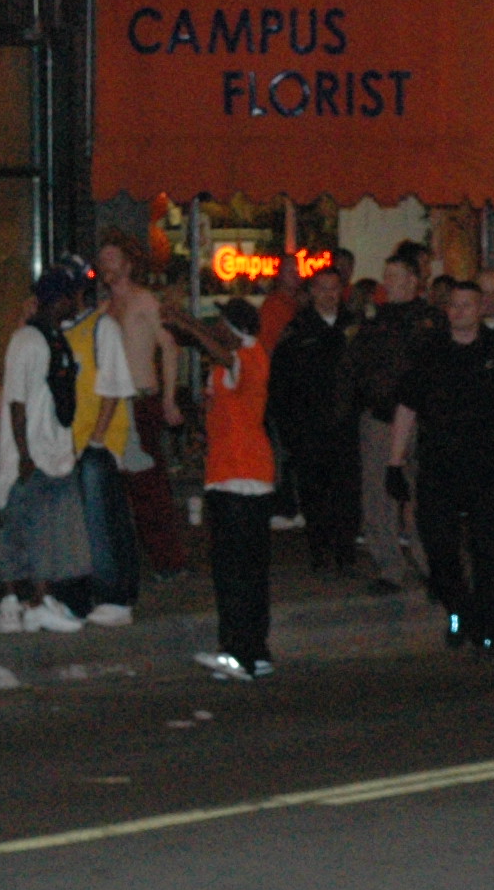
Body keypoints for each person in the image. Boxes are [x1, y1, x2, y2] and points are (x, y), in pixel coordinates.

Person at [385, 275, 494, 655]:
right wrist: (394, 463)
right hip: (440, 465)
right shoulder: (430, 351)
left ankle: (486, 623)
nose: (458, 311)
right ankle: (457, 610)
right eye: (453, 305)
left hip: (489, 466)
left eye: (466, 305)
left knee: (490, 553)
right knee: (440, 550)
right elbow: (407, 408)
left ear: (480, 309)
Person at [171, 297, 274, 681]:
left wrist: (189, 325)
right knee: (249, 570)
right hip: (236, 474)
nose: (213, 328)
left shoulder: (247, 357)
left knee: (234, 571)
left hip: (239, 477)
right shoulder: (235, 362)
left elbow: (224, 354)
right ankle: (255, 652)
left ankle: (238, 652)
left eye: (220, 323)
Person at [0, 261, 93, 634]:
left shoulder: (54, 338)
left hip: (52, 452)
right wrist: (24, 454)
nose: (77, 302)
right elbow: (16, 403)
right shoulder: (28, 340)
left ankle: (37, 601)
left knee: (46, 533)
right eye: (73, 296)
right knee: (21, 529)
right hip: (31, 453)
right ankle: (22, 603)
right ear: (60, 299)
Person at [55, 258, 143, 628]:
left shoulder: (100, 327)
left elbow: (114, 386)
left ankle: (114, 595)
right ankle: (78, 595)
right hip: (67, 442)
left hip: (96, 443)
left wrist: (97, 439)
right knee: (77, 525)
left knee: (101, 520)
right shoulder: (56, 331)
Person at [96, 232, 190, 574]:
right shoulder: (103, 310)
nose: (105, 265)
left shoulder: (144, 301)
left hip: (141, 398)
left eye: (111, 258)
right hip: (113, 404)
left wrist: (168, 398)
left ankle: (168, 560)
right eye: (102, 260)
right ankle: (126, 560)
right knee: (117, 486)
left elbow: (169, 348)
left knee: (149, 484)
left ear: (128, 264)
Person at [348, 245, 435, 589]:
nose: (388, 284)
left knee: (422, 495)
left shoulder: (430, 321)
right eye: (386, 277)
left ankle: (430, 564)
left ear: (413, 280)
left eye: (395, 277)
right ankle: (389, 567)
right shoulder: (376, 322)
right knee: (378, 494)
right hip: (382, 418)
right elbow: (356, 366)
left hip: (420, 420)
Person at [267, 264, 358, 572]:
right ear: (312, 292)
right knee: (314, 492)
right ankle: (319, 551)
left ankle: (345, 553)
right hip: (309, 428)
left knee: (346, 492)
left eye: (334, 289)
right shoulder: (297, 331)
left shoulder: (354, 327)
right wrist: (290, 430)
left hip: (346, 427)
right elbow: (281, 384)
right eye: (322, 289)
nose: (329, 295)